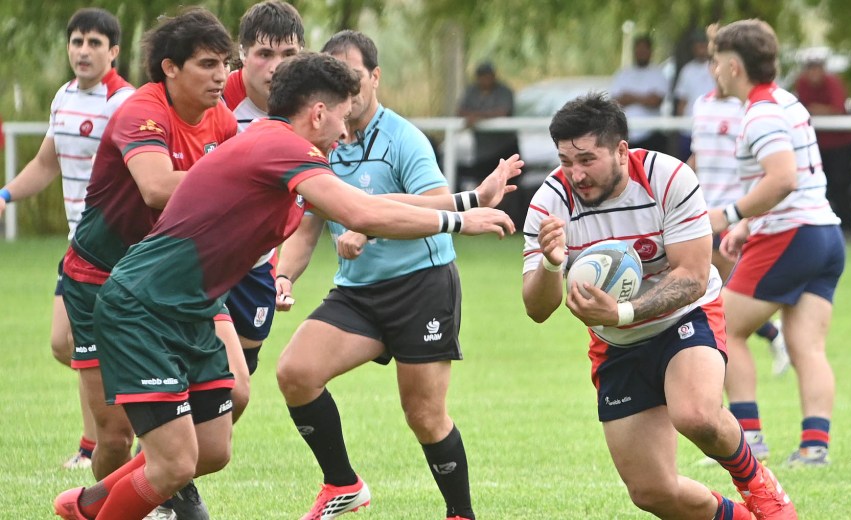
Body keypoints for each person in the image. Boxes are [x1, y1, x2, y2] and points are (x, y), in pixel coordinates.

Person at [54, 50, 516, 520]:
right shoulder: (281, 148)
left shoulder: (286, 152)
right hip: (144, 307)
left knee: (211, 449)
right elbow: (362, 212)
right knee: (174, 464)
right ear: (318, 112)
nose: (344, 130)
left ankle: (89, 504)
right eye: (341, 117)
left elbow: (366, 200)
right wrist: (457, 221)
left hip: (190, 308)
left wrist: (469, 198)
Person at [273, 31, 522, 520]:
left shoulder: (404, 138)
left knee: (424, 416)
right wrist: (284, 276)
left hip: (421, 287)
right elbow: (307, 227)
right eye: (338, 79)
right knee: (296, 373)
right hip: (357, 293)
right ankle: (343, 484)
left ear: (376, 77)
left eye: (356, 77)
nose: (348, 88)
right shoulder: (320, 141)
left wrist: (367, 228)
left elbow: (432, 202)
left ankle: (460, 514)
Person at [521, 92, 797, 519]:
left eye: (587, 160)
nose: (575, 174)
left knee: (697, 415)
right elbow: (537, 309)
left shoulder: (669, 177)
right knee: (653, 492)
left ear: (620, 150)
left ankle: (760, 487)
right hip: (616, 344)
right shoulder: (549, 203)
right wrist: (549, 263)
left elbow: (691, 276)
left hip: (685, 316)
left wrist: (623, 312)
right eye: (565, 161)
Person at [53, 7, 238, 520]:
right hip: (101, 282)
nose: (221, 75)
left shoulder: (220, 114)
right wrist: (240, 185)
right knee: (113, 435)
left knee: (234, 399)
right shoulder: (142, 110)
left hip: (172, 282)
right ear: (170, 68)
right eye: (207, 64)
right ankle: (147, 488)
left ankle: (155, 483)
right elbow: (156, 187)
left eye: (226, 63)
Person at [0, 8, 134, 470]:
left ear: (113, 51)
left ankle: (98, 441)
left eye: (94, 43)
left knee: (89, 345)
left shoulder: (125, 103)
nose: (83, 50)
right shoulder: (63, 97)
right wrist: (5, 194)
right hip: (79, 247)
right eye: (76, 41)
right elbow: (46, 162)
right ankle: (103, 429)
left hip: (117, 250)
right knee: (66, 344)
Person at [710, 19, 846, 468]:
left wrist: (731, 215)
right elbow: (801, 179)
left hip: (792, 235)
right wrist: (749, 226)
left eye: (715, 61)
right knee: (806, 344)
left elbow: (784, 178)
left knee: (724, 328)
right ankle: (814, 447)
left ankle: (749, 439)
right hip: (824, 233)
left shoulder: (761, 112)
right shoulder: (786, 102)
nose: (712, 70)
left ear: (733, 66)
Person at [688, 54, 789, 383]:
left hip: (734, 213)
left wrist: (745, 212)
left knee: (721, 291)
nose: (716, 69)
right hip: (706, 210)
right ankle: (773, 335)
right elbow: (698, 155)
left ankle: (771, 336)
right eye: (712, 62)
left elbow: (767, 164)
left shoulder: (748, 109)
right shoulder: (701, 105)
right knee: (714, 290)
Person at [220, 0, 305, 380]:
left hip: (258, 266)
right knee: (218, 382)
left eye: (288, 54)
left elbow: (311, 205)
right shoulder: (216, 98)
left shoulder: (311, 107)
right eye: (264, 54)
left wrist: (283, 273)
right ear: (242, 54)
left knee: (240, 375)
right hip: (206, 259)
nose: (277, 66)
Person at [794, 52, 851, 235]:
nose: (814, 73)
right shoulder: (802, 83)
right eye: (811, 69)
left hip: (842, 143)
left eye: (817, 68)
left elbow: (837, 109)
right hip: (819, 144)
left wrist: (815, 109)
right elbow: (802, 107)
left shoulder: (833, 82)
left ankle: (847, 226)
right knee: (822, 186)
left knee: (841, 184)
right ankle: (825, 227)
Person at [456, 60, 518, 183]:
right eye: (482, 76)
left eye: (488, 75)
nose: (485, 79)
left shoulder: (504, 91)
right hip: (482, 151)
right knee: (483, 183)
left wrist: (477, 117)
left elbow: (502, 112)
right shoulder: (471, 91)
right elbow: (460, 111)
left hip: (505, 148)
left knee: (508, 184)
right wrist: (474, 117)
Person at [609, 34, 669, 153]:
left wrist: (629, 97)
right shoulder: (623, 74)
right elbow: (615, 102)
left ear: (650, 51)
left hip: (651, 135)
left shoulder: (657, 74)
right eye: (639, 49)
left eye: (644, 49)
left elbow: (655, 101)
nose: (641, 52)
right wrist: (644, 98)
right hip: (626, 135)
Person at [673, 29, 716, 160]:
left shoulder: (716, 68)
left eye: (703, 44)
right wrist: (680, 127)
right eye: (698, 44)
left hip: (711, 128)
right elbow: (682, 101)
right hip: (689, 129)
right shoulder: (687, 70)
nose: (701, 48)